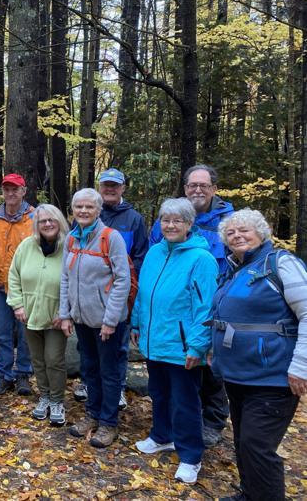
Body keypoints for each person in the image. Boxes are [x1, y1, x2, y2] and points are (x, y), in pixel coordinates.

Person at [211, 209, 307, 501]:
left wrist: (301, 367)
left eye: (245, 231)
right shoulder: (234, 269)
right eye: (231, 232)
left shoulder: (281, 264)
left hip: (273, 377)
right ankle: (250, 494)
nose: (237, 236)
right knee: (243, 442)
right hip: (239, 375)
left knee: (256, 446)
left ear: (261, 233)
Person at [131, 198, 218, 485]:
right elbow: (144, 293)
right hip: (154, 339)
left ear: (189, 224)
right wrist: (136, 322)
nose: (170, 225)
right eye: (165, 220)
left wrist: (198, 345)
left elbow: (206, 308)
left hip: (182, 346)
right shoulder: (155, 252)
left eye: (177, 221)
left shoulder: (201, 259)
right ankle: (162, 436)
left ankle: (191, 456)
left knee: (185, 401)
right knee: (159, 393)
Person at [149, 164, 233, 447]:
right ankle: (170, 432)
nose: (197, 189)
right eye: (192, 185)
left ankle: (211, 423)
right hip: (175, 313)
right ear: (185, 188)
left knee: (209, 372)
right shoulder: (162, 232)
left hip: (216, 305)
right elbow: (156, 266)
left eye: (203, 185)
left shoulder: (227, 221)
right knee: (176, 383)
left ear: (214, 188)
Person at [59, 188, 130, 448]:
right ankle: (92, 414)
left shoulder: (111, 238)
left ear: (99, 210)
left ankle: (108, 423)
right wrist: (65, 314)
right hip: (82, 319)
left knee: (109, 371)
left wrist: (111, 320)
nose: (83, 211)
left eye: (89, 207)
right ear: (73, 210)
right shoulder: (72, 239)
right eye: (79, 207)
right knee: (90, 369)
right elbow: (65, 278)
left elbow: (123, 280)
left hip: (107, 322)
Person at [73, 168, 149, 408]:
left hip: (119, 293)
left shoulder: (133, 218)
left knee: (117, 346)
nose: (110, 189)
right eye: (105, 185)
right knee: (87, 346)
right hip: (89, 296)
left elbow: (139, 254)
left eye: (114, 186)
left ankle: (118, 389)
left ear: (123, 188)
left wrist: (127, 284)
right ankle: (89, 384)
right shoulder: (89, 214)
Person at [8, 204, 70, 426]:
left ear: (59, 221)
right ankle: (44, 397)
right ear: (37, 224)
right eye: (42, 220)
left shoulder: (69, 247)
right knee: (38, 360)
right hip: (30, 313)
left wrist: (65, 312)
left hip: (56, 317)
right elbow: (13, 276)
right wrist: (17, 305)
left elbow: (75, 281)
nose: (47, 224)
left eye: (51, 219)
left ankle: (56, 401)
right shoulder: (26, 246)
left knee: (54, 359)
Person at [0, 173, 34, 396]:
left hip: (27, 287)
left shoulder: (35, 217)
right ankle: (4, 374)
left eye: (15, 189)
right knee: (2, 332)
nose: (11, 193)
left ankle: (23, 374)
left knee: (25, 333)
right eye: (7, 189)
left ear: (24, 191)